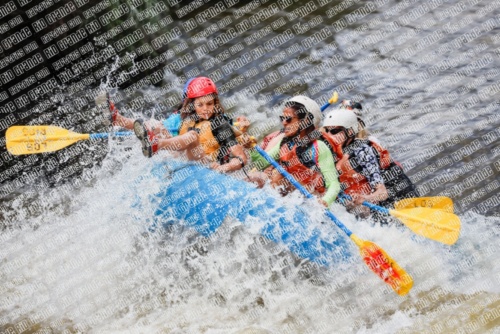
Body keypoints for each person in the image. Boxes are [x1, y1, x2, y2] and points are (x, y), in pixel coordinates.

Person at [321, 106, 419, 218]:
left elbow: (382, 193)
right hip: (370, 194)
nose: (329, 135)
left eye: (334, 131)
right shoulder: (327, 151)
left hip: (397, 193)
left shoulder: (363, 151)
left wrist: (365, 198)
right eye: (326, 131)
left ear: (350, 132)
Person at [249, 96, 341, 207]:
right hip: (283, 191)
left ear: (306, 121)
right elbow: (261, 163)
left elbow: (334, 184)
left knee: (279, 175)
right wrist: (251, 148)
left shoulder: (319, 148)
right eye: (282, 118)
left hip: (306, 199)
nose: (283, 123)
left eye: (288, 119)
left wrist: (325, 201)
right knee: (256, 177)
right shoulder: (285, 143)